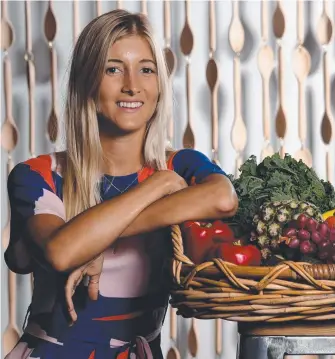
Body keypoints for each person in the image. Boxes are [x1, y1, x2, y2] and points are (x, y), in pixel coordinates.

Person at [4, 9, 238, 359]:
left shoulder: (181, 165)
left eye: (146, 69)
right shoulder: (38, 176)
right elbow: (63, 250)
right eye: (113, 69)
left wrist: (103, 239)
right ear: (87, 81)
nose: (132, 84)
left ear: (159, 85)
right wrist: (156, 185)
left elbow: (223, 198)